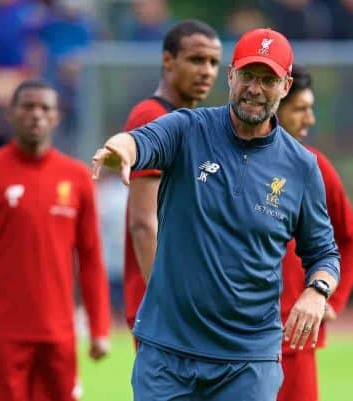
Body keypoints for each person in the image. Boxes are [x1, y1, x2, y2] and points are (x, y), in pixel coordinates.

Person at [92, 28, 340, 401]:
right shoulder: (188, 128)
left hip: (248, 361)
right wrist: (121, 149)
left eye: (268, 79)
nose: (255, 89)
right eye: (248, 76)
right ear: (231, 76)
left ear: (285, 86)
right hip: (168, 353)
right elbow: (141, 141)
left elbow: (324, 253)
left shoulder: (302, 167)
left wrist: (316, 291)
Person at [0, 80, 111, 401]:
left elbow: (91, 257)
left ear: (56, 117)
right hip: (1, 334)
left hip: (59, 334)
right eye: (28, 107)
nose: (36, 115)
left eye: (45, 108)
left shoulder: (77, 177)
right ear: (11, 114)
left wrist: (99, 326)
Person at [122, 19, 222, 342]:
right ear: (168, 61)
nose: (207, 70)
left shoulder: (191, 123)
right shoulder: (152, 118)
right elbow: (143, 222)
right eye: (196, 60)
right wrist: (165, 302)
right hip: (165, 306)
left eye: (214, 62)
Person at [276, 65, 353, 401]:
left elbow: (352, 239)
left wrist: (331, 298)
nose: (309, 119)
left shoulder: (313, 165)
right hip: (235, 338)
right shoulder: (234, 160)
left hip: (294, 339)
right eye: (300, 108)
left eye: (310, 108)